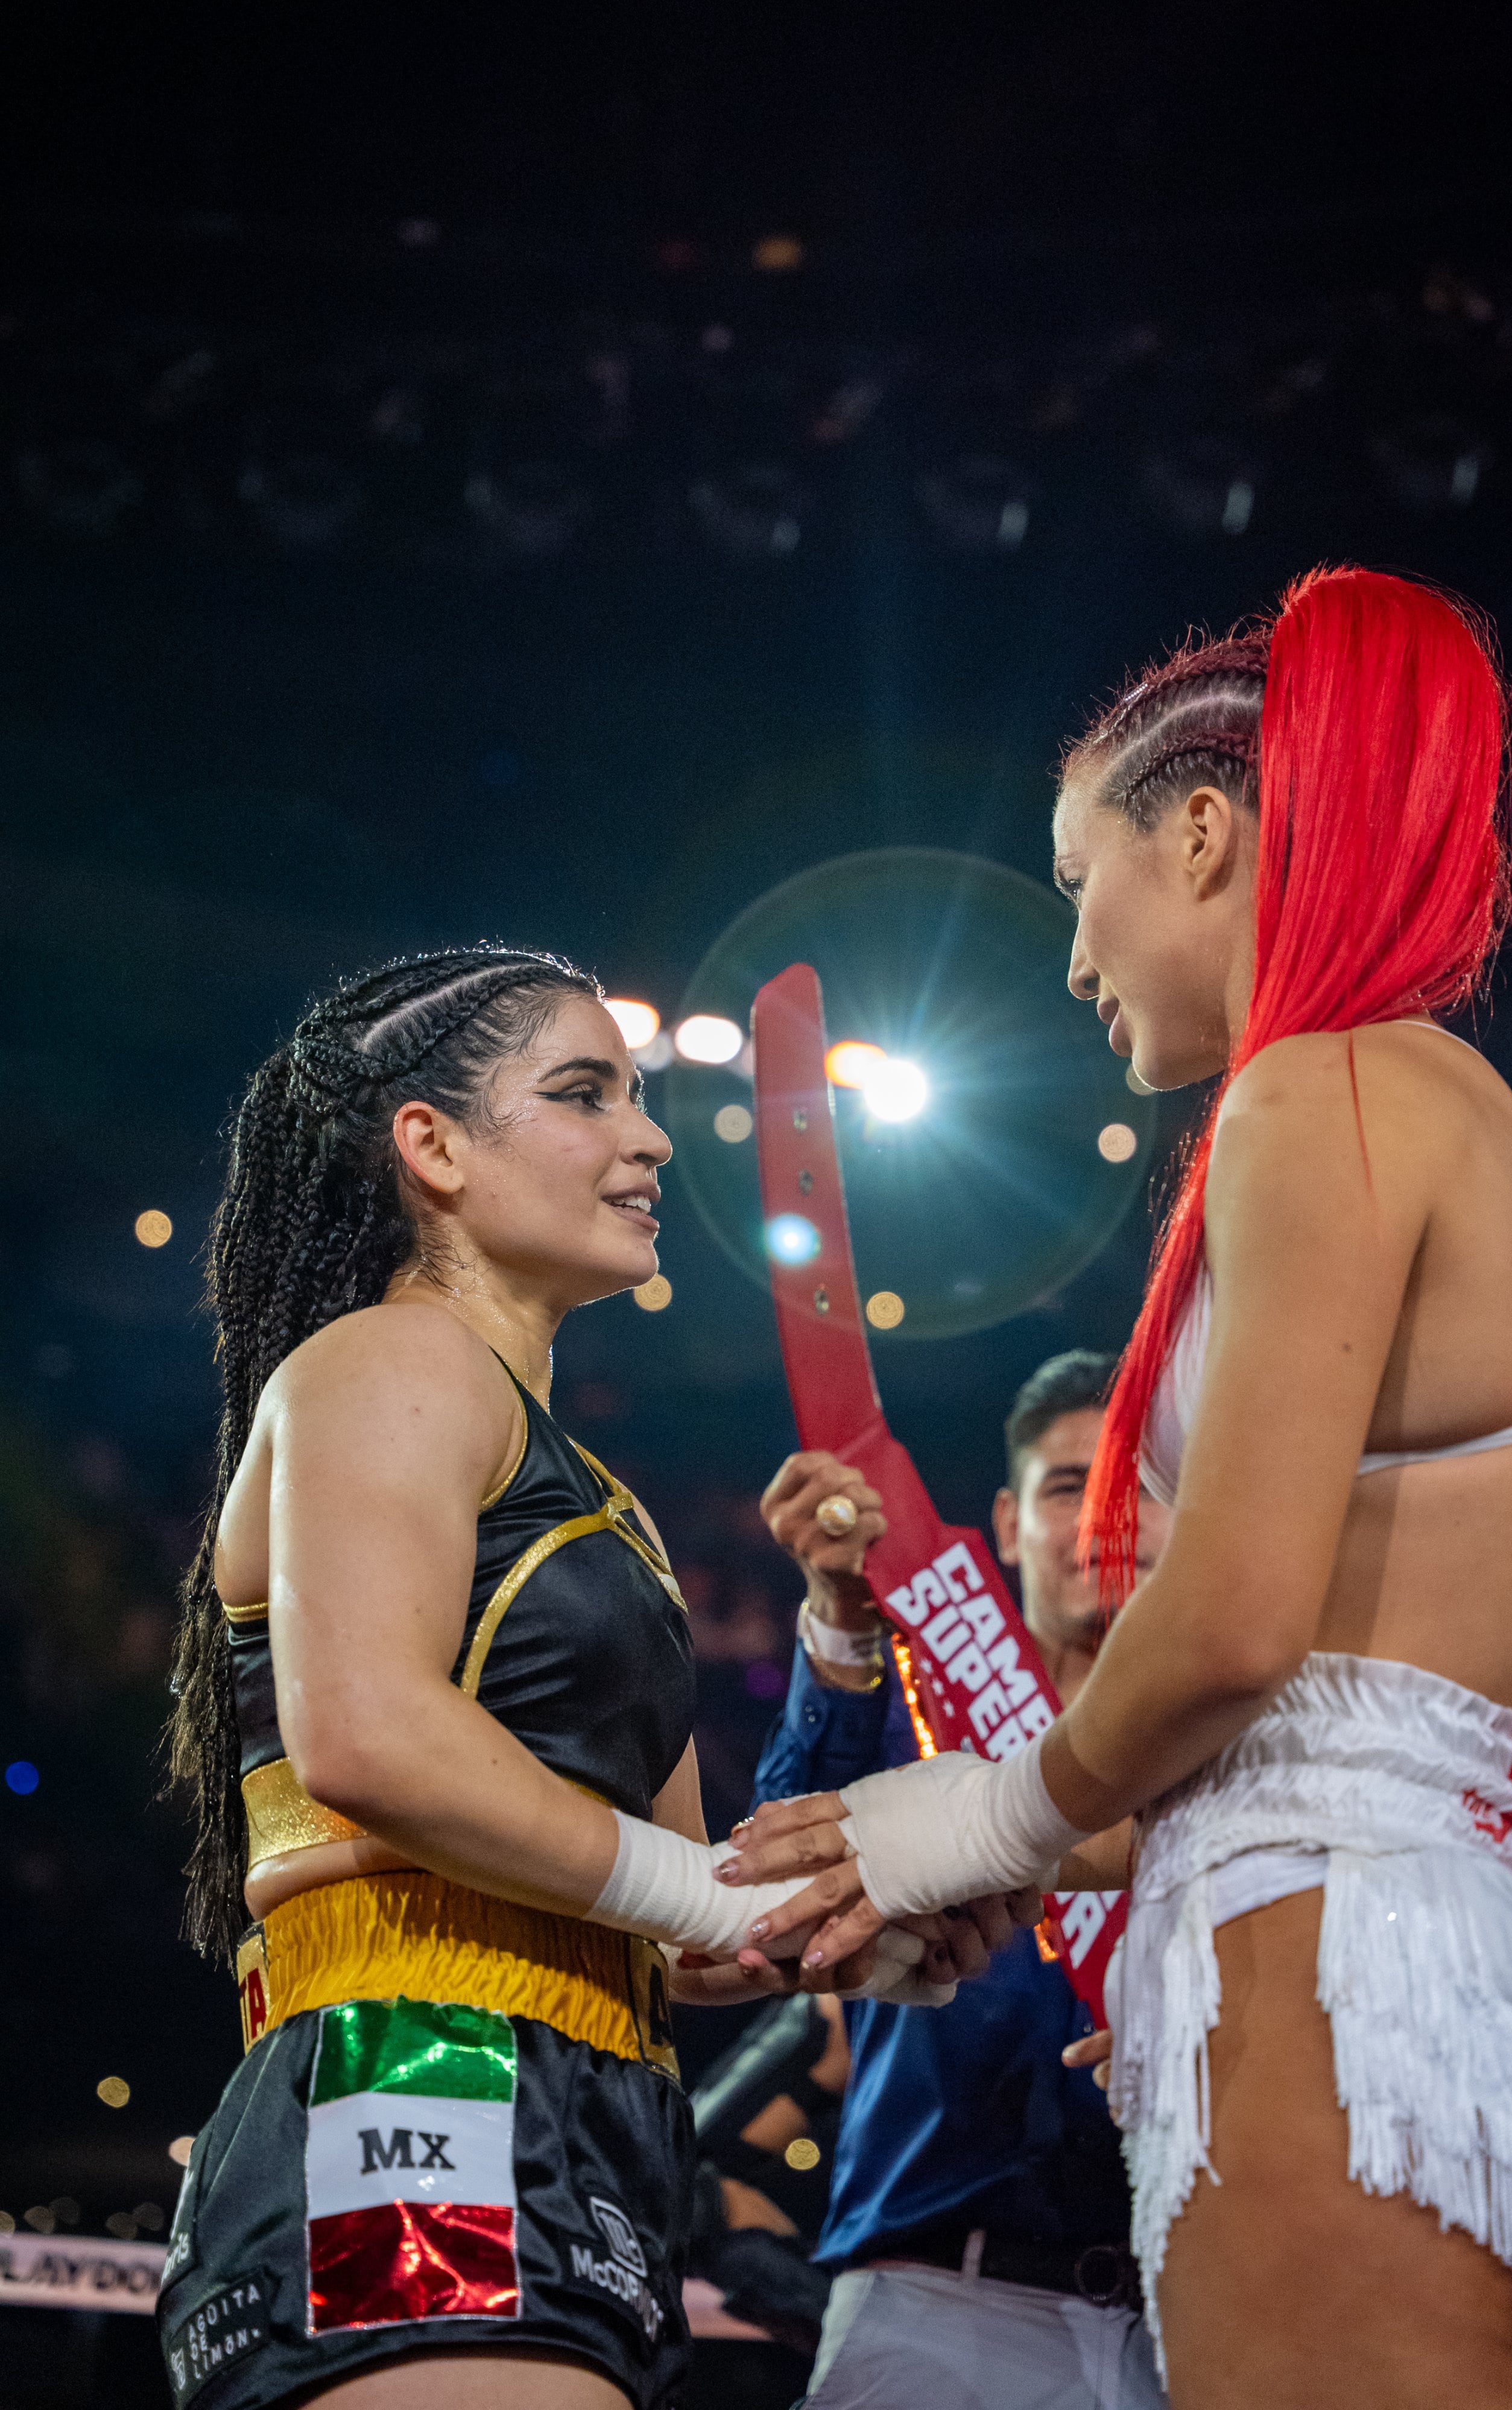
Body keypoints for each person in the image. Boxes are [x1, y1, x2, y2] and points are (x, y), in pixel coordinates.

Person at [719, 570, 1512, 2409]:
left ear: (1202, 836)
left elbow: (1230, 1626)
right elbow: (1349, 1709)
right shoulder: (1433, 1108)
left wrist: (982, 1822)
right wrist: (1037, 1864)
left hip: (1330, 1978)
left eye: (1079, 881)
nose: (1073, 958)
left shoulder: (1318, 1095)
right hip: (1424, 1963)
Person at [159, 946, 963, 2410]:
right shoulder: (388, 1360)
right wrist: (704, 1897)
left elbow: (680, 1911)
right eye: (584, 1093)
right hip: (421, 2061)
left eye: (637, 1096)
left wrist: (856, 1924)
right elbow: (369, 1736)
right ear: (433, 1145)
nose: (649, 1137)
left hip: (600, 2103)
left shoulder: (604, 1498)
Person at [749, 1350, 1169, 2409]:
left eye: (1138, 1485)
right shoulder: (922, 1718)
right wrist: (842, 1613)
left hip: (1192, 2320)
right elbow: (776, 1883)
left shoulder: (1230, 1754)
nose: (1105, 1516)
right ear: (1009, 1522)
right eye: (1068, 1486)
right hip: (936, 2303)